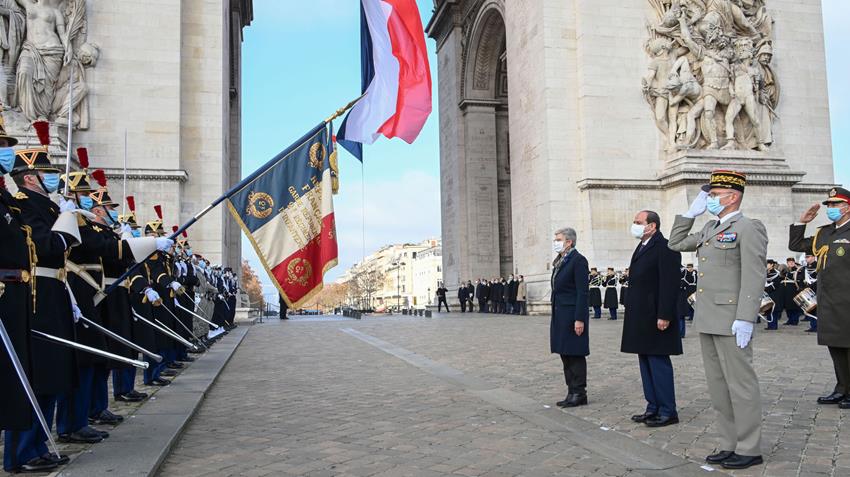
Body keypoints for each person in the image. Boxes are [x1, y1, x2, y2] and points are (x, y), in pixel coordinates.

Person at [668, 170, 767, 470]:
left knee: (741, 385)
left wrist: (746, 318)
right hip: (708, 318)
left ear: (732, 196)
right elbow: (676, 243)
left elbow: (754, 274)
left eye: (713, 195)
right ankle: (729, 443)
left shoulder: (748, 227)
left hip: (732, 319)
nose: (709, 199)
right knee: (718, 386)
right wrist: (689, 213)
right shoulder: (710, 227)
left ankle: (749, 447)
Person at [789, 187, 850, 408]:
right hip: (829, 300)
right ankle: (842, 388)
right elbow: (796, 246)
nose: (831, 209)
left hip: (848, 300)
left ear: (847, 207)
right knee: (835, 345)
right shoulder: (824, 233)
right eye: (829, 205)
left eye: (835, 205)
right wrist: (801, 222)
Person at [622, 210, 682, 427]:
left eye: (638, 222)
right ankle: (653, 406)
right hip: (640, 315)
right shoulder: (642, 246)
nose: (634, 225)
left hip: (656, 315)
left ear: (652, 226)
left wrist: (664, 314)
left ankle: (668, 410)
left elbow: (669, 283)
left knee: (658, 362)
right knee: (645, 360)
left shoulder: (666, 247)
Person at [550, 227, 590, 408]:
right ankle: (570, 390)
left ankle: (579, 392)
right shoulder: (560, 261)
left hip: (573, 315)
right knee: (565, 353)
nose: (555, 242)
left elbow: (582, 292)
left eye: (558, 239)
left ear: (569, 242)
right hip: (560, 314)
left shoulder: (578, 261)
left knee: (575, 354)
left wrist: (580, 318)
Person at [764, 260, 782, 330]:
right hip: (768, 294)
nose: (766, 265)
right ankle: (770, 325)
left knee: (773, 310)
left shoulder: (776, 274)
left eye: (768, 264)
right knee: (768, 309)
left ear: (772, 265)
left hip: (774, 294)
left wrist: (765, 288)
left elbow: (775, 285)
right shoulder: (766, 273)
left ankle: (774, 325)